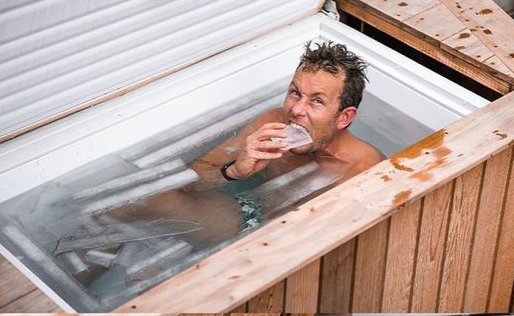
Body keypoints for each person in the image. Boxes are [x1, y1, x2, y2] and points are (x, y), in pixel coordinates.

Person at [113, 41, 384, 242]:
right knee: (145, 200)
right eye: (295, 93)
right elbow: (190, 182)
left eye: (316, 100)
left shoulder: (364, 170)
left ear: (344, 118)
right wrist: (233, 171)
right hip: (248, 212)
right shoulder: (272, 122)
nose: (297, 110)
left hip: (284, 245)